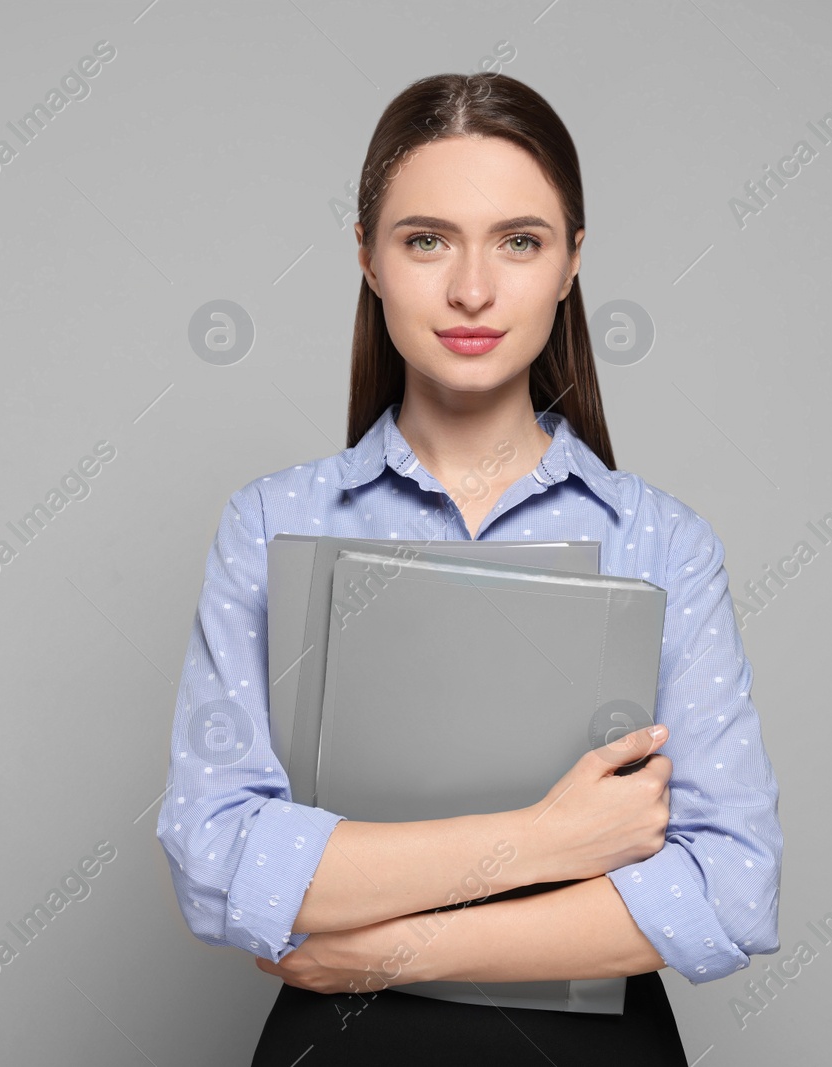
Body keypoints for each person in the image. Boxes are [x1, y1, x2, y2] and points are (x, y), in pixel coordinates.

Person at [155, 71, 783, 1065]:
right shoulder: (271, 523)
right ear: (367, 256)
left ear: (572, 262)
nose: (472, 289)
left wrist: (384, 945)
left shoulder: (663, 543)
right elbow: (219, 857)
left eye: (519, 241)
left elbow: (727, 887)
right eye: (425, 239)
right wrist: (551, 840)